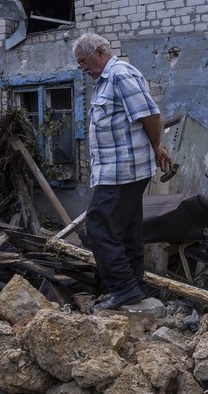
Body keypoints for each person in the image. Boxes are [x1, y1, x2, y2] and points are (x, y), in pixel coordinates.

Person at [73, 33, 173, 311]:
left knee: (99, 225)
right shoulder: (104, 81)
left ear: (100, 51)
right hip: (118, 169)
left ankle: (123, 287)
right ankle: (135, 286)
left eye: (84, 61)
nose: (83, 68)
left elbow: (149, 114)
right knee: (126, 228)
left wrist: (157, 146)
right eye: (79, 64)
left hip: (123, 170)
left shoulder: (119, 74)